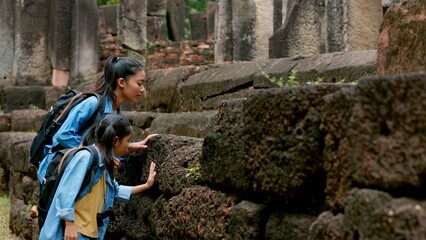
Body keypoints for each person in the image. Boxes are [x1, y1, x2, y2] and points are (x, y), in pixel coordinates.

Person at [37, 55, 157, 183]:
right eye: (139, 83)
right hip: (58, 171)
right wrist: (97, 154)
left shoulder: (117, 114)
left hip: (80, 173)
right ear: (121, 82)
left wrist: (131, 147)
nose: (142, 90)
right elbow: (63, 135)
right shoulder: (92, 104)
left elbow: (106, 149)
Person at [39, 114, 157, 240]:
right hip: (72, 233)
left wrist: (147, 185)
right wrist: (69, 224)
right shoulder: (86, 157)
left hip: (88, 233)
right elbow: (66, 192)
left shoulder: (103, 163)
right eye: (127, 141)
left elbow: (115, 191)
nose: (127, 145)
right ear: (115, 141)